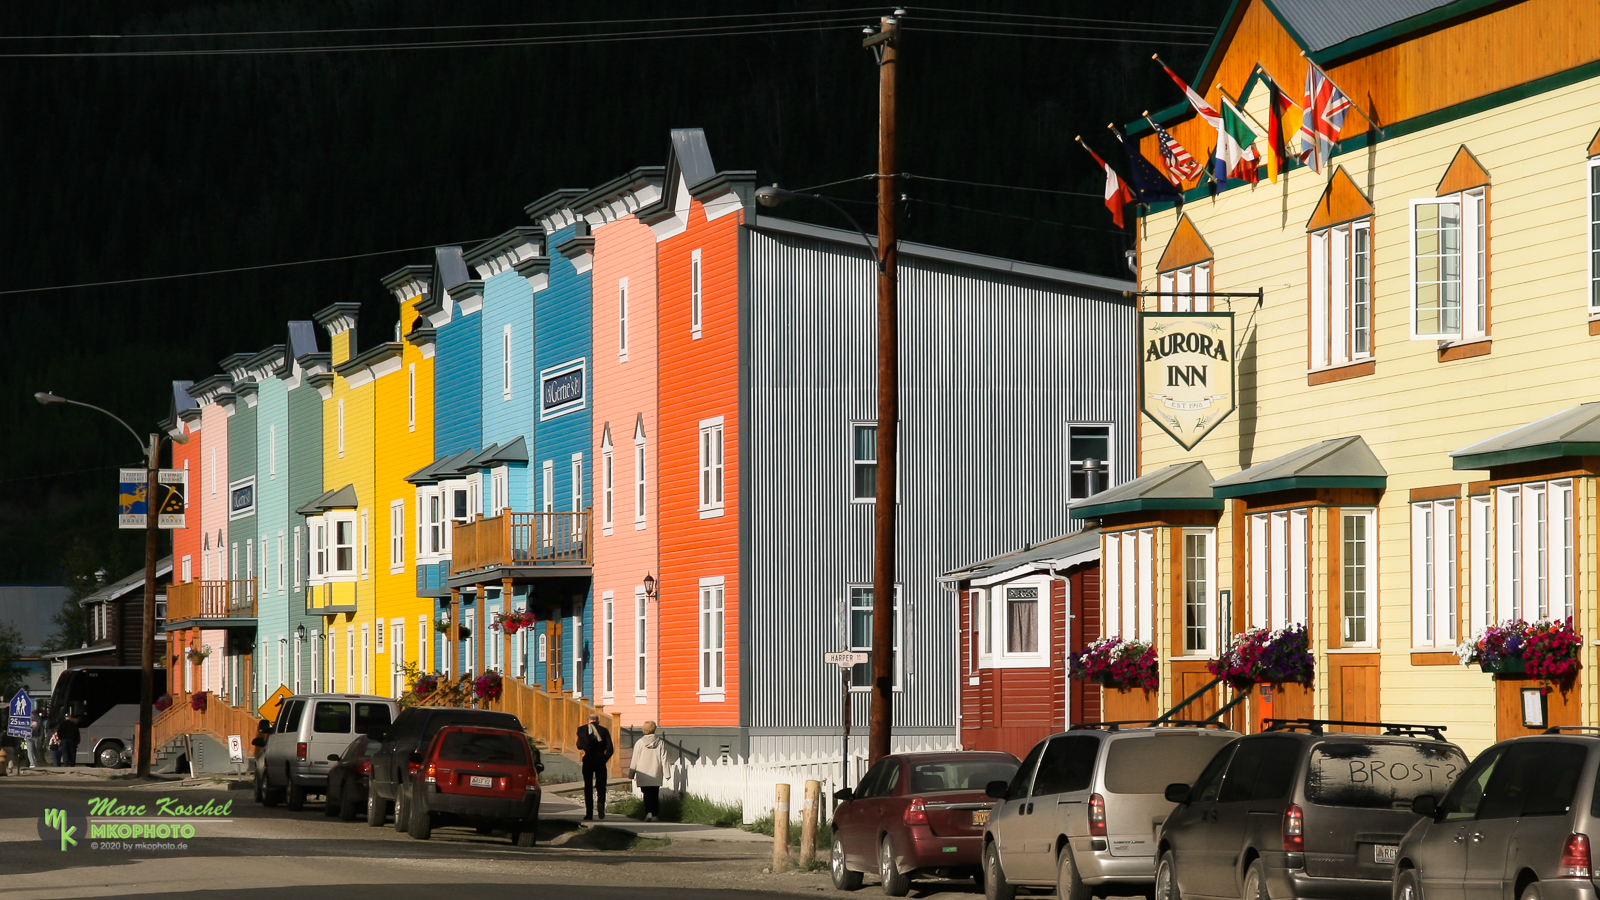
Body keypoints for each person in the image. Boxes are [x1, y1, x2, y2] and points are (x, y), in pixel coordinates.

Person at [575, 713, 614, 821]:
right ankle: (600, 803)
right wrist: (604, 759)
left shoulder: (582, 729)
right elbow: (610, 749)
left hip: (588, 759)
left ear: (588, 721)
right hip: (600, 759)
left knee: (588, 786)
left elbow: (579, 746)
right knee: (601, 785)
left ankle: (589, 813)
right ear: (598, 721)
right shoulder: (604, 730)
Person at [629, 721, 668, 822]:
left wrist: (631, 773)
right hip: (655, 772)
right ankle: (655, 814)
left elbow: (635, 758)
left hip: (643, 772)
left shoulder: (640, 742)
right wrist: (667, 773)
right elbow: (664, 758)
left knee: (646, 793)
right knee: (655, 793)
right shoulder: (660, 742)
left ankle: (648, 813)